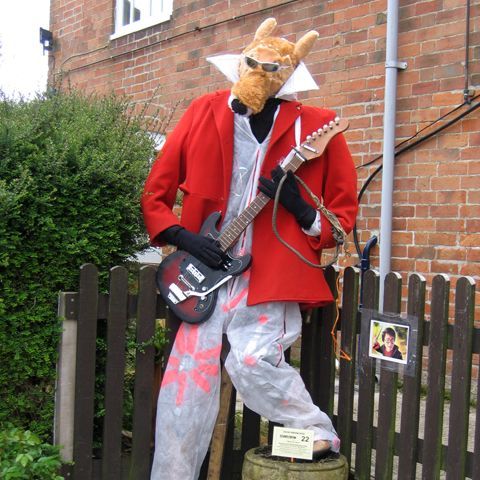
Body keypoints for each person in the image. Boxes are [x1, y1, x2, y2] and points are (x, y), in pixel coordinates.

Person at [141, 18, 358, 480]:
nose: (261, 74)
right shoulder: (203, 111)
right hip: (203, 272)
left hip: (268, 274)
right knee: (185, 384)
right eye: (254, 64)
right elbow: (156, 193)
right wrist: (183, 237)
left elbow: (342, 220)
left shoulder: (318, 127)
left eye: (272, 68)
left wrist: (300, 207)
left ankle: (316, 430)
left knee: (254, 360)